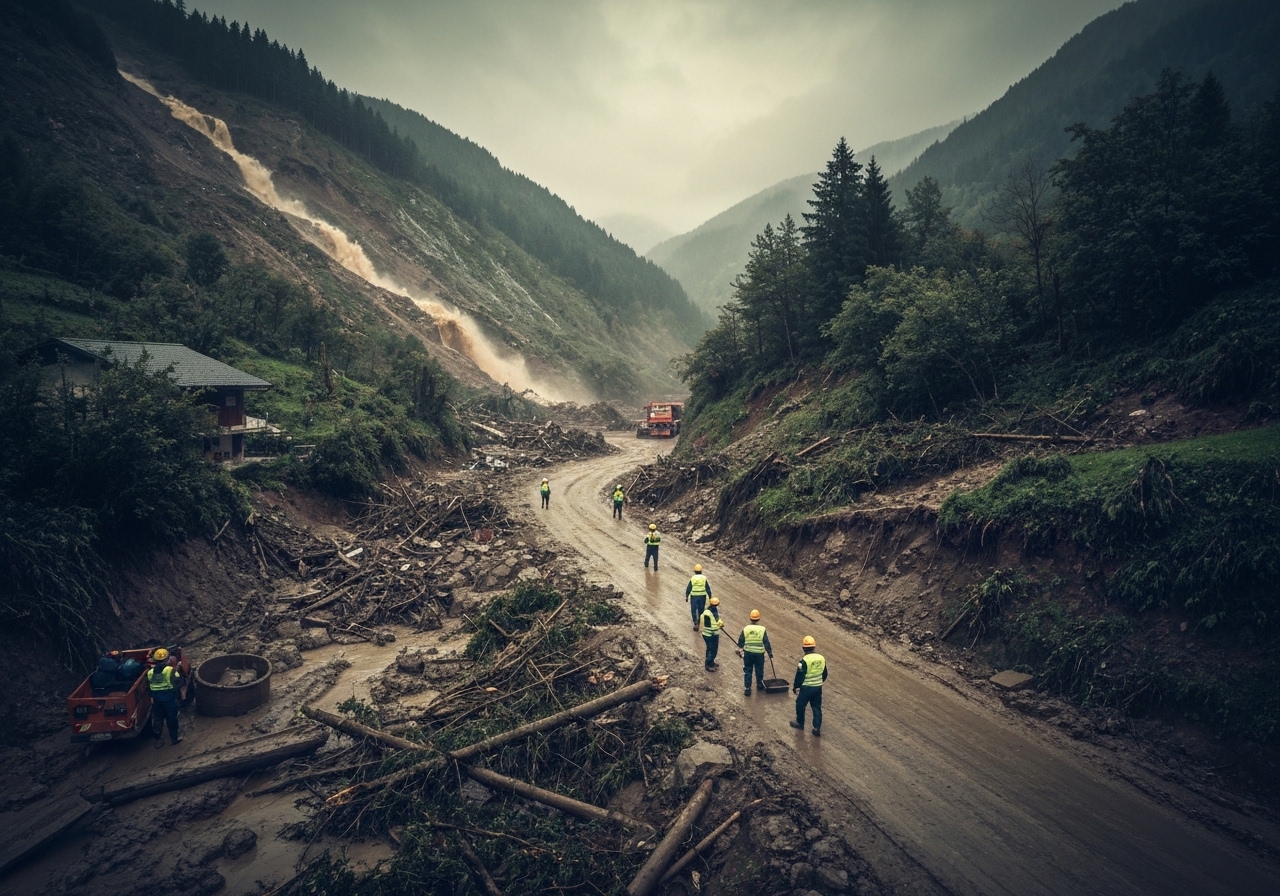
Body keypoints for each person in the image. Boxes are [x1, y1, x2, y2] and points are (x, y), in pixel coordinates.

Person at [147, 647, 185, 746]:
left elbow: (148, 685)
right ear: (167, 659)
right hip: (169, 698)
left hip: (156, 699)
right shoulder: (170, 670)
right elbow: (179, 682)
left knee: (158, 718)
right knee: (171, 717)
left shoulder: (150, 672)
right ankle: (174, 739)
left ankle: (158, 740)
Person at [790, 636, 827, 736]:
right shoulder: (821, 658)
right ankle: (816, 728)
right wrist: (819, 682)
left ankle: (800, 723)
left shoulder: (803, 661)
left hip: (806, 688)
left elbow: (799, 675)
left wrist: (796, 687)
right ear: (814, 647)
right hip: (817, 687)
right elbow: (825, 673)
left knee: (800, 704)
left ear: (803, 648)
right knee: (816, 707)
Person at [736, 609, 774, 695]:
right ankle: (759, 684)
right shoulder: (762, 629)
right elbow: (766, 642)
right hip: (759, 654)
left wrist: (740, 648)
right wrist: (769, 652)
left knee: (748, 670)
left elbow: (741, 641)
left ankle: (747, 688)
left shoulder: (746, 628)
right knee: (759, 669)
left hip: (748, 653)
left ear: (750, 618)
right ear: (758, 619)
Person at [685, 563, 711, 632]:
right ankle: (699, 622)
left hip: (694, 596)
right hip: (702, 596)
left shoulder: (693, 578)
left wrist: (687, 596)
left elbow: (689, 587)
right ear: (701, 571)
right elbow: (708, 588)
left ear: (694, 571)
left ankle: (695, 623)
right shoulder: (704, 578)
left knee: (693, 610)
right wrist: (710, 597)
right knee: (701, 610)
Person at [700, 597, 724, 670]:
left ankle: (712, 662)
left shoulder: (714, 610)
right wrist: (718, 625)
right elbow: (709, 625)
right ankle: (708, 665)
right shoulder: (707, 613)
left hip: (714, 634)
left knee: (714, 649)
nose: (716, 606)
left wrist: (720, 623)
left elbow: (716, 619)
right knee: (710, 650)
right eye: (715, 605)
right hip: (709, 634)